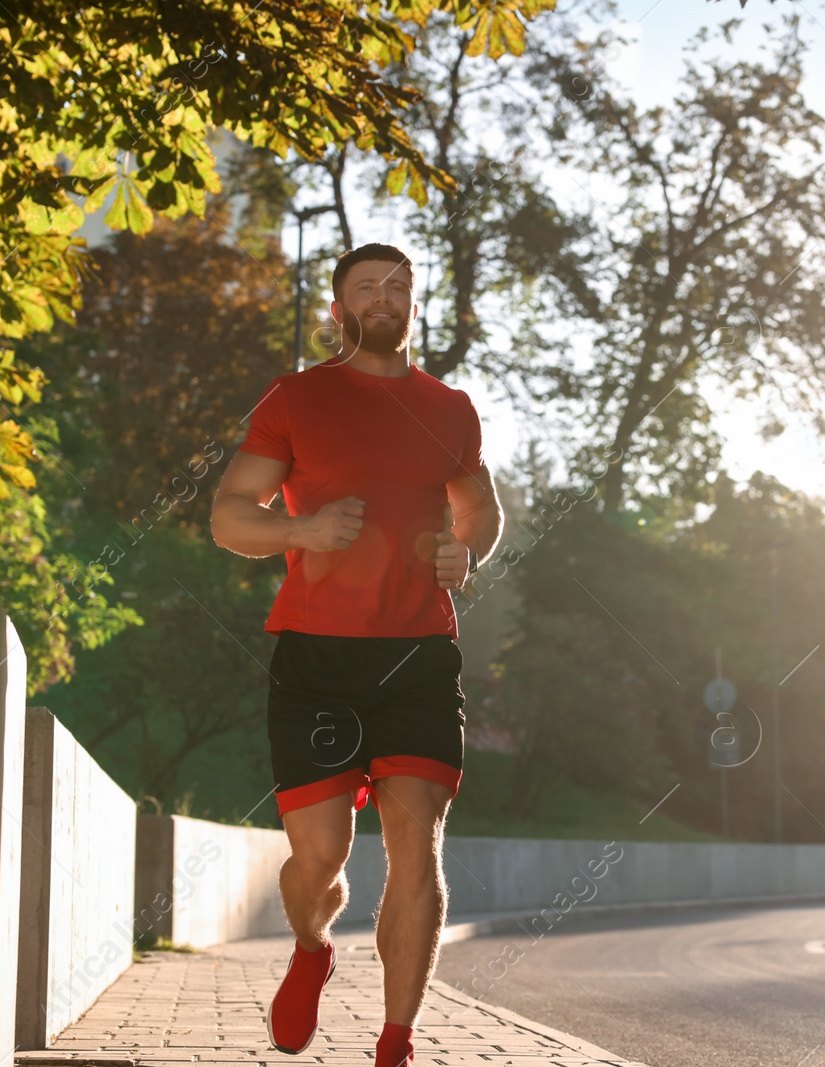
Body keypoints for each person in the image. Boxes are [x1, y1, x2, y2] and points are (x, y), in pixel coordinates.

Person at [210, 243, 502, 1067]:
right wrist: (299, 529)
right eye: (366, 288)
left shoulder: (451, 409)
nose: (384, 297)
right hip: (317, 657)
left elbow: (481, 509)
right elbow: (231, 515)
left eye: (398, 286)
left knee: (419, 850)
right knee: (322, 857)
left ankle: (395, 1042)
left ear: (415, 305)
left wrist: (466, 554)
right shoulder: (298, 398)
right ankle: (311, 945)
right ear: (340, 310)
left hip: (417, 656)